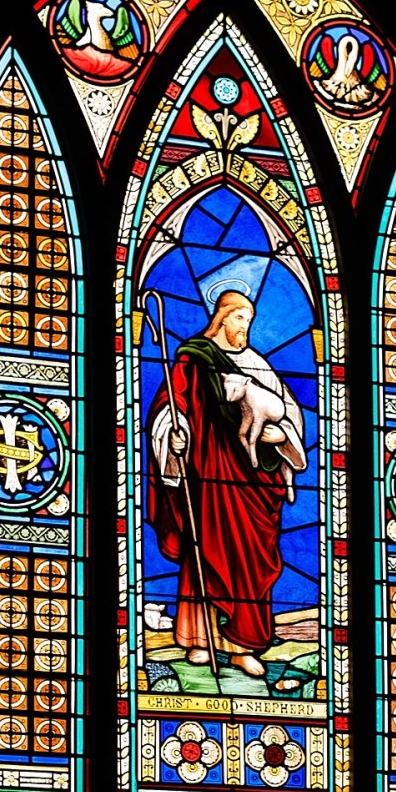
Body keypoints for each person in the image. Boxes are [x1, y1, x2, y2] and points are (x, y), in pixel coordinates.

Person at [146, 288, 307, 682]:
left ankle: (243, 648)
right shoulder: (194, 357)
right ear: (222, 318)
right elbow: (172, 403)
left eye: (249, 320)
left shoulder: (256, 364)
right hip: (208, 478)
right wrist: (174, 431)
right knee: (205, 552)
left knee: (251, 559)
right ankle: (199, 639)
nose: (245, 327)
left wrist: (279, 435)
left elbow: (287, 414)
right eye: (239, 318)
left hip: (251, 482)